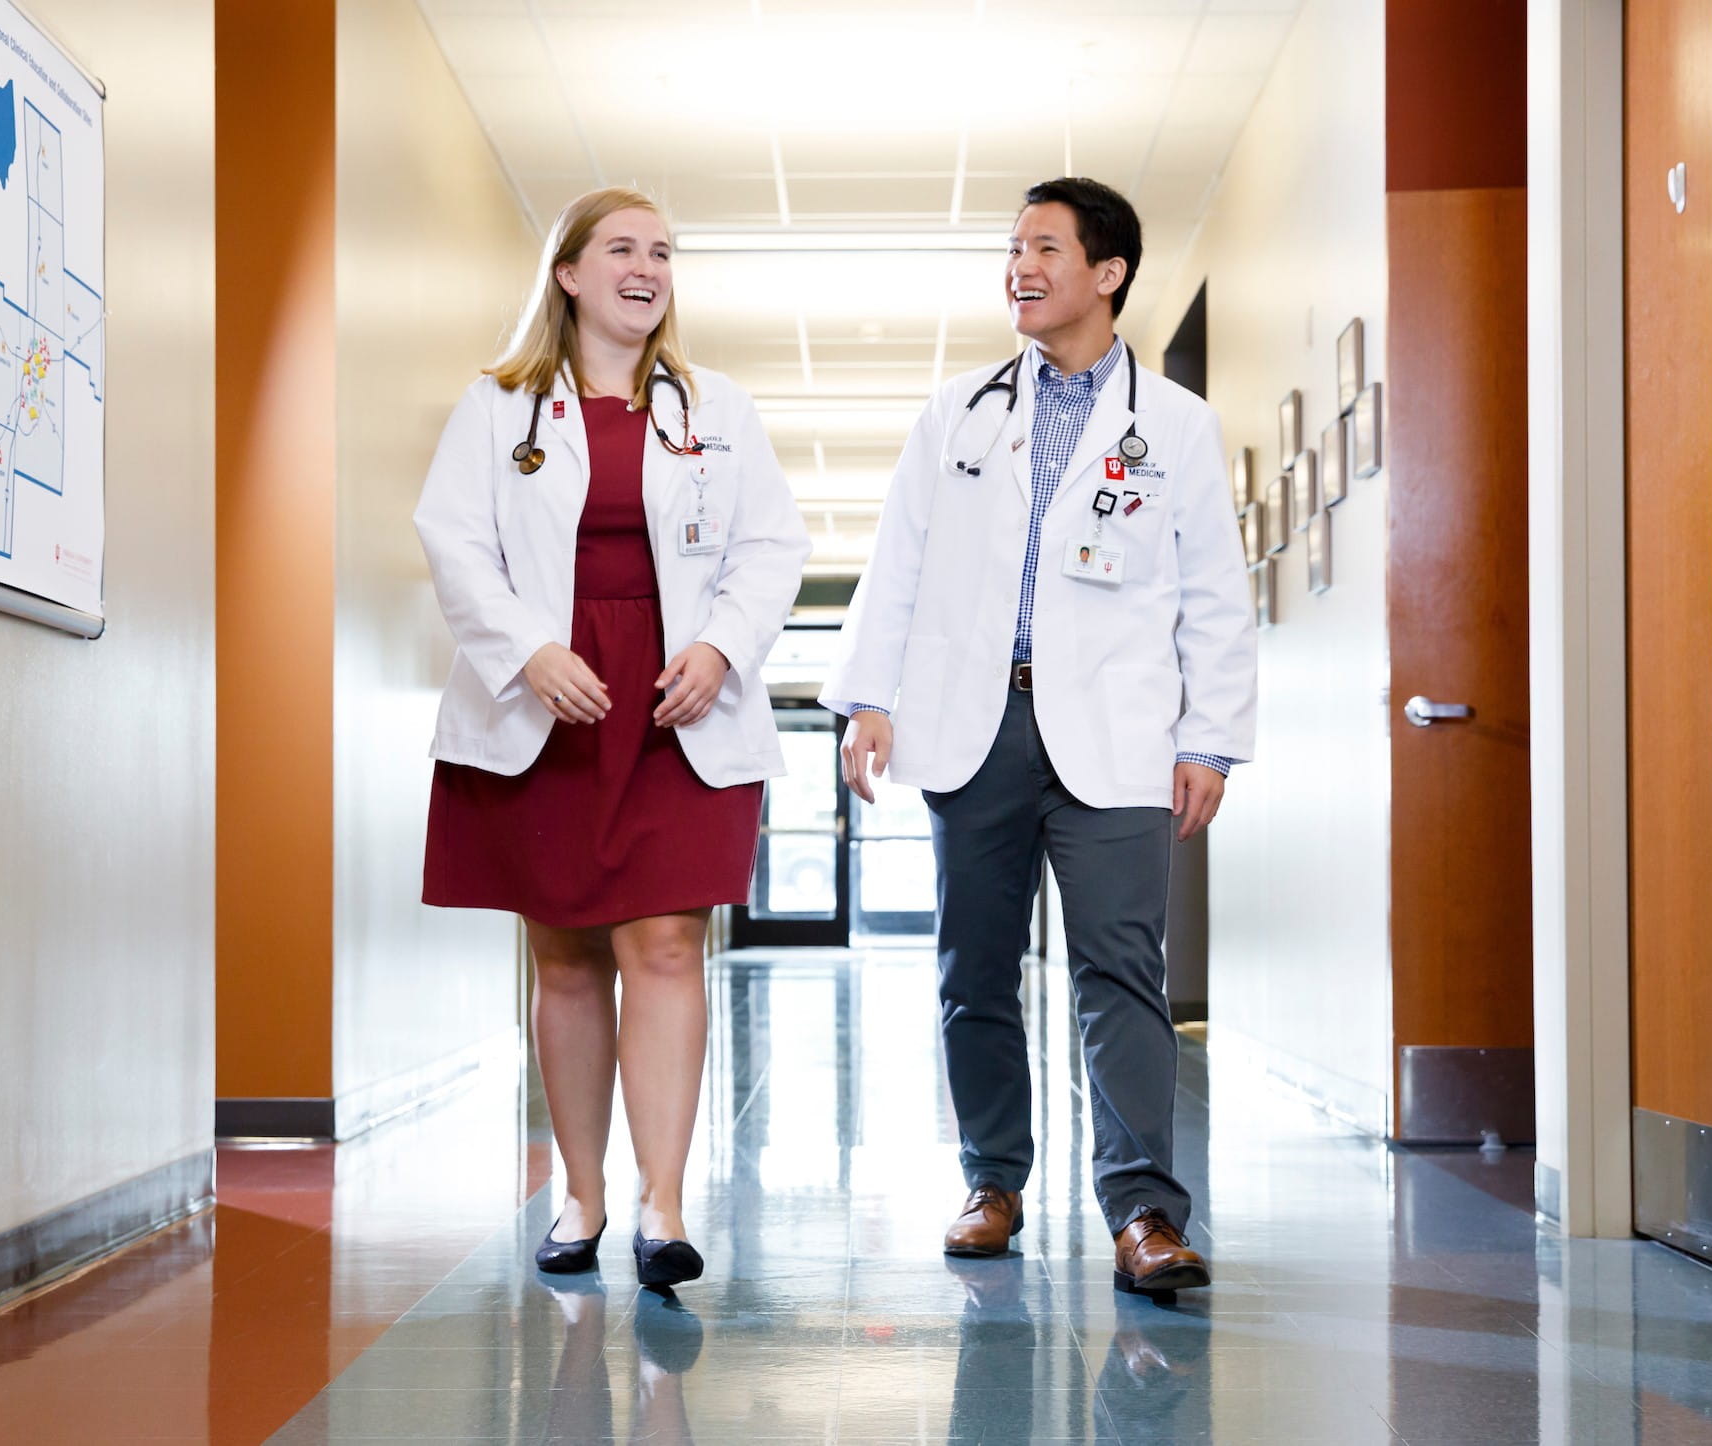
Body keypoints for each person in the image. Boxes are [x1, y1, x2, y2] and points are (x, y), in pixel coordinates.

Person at [820, 177, 1257, 1295]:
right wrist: (869, 696)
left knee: (1123, 970)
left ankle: (1145, 1210)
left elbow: (1214, 588)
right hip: (977, 729)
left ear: (1106, 273)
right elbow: (899, 563)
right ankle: (992, 1183)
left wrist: (1209, 739)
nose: (1019, 267)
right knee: (975, 968)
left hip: (1114, 734)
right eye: (1012, 250)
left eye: (1044, 249)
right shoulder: (957, 414)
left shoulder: (1177, 427)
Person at [415, 186, 810, 1289]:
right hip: (549, 696)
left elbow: (772, 546)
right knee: (567, 955)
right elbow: (452, 540)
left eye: (664, 252)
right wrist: (527, 650)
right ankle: (580, 1195)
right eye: (624, 249)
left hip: (676, 700)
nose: (648, 267)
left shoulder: (715, 407)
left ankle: (663, 1203)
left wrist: (723, 650)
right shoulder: (499, 407)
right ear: (571, 274)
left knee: (668, 945)